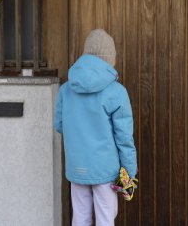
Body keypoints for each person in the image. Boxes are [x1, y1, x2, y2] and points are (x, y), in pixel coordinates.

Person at [54, 29, 138, 226]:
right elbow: (124, 137)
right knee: (105, 219)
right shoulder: (116, 91)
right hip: (105, 169)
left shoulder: (66, 89)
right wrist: (129, 172)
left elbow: (59, 125)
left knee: (80, 218)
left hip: (77, 167)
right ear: (110, 59)